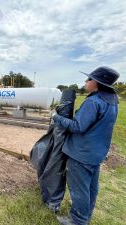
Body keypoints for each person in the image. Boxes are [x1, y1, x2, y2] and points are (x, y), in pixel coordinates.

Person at [52, 66, 120, 225]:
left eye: (89, 79)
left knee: (79, 189)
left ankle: (77, 220)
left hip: (81, 154)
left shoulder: (93, 101)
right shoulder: (112, 100)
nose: (86, 81)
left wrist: (56, 117)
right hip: (96, 153)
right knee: (90, 187)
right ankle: (85, 215)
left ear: (96, 82)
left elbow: (77, 126)